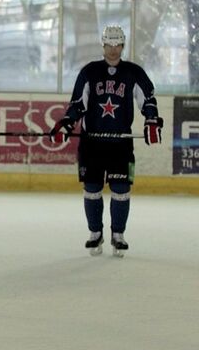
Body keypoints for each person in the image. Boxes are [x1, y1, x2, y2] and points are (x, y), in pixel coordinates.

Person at [49, 25, 163, 257]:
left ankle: (118, 235)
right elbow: (78, 104)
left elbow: (148, 101)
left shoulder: (133, 72)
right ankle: (95, 233)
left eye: (117, 44)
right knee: (92, 188)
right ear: (103, 45)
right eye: (109, 45)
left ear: (123, 45)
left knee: (121, 188)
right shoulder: (90, 71)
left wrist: (152, 121)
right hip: (92, 143)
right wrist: (67, 124)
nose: (113, 49)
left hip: (121, 143)